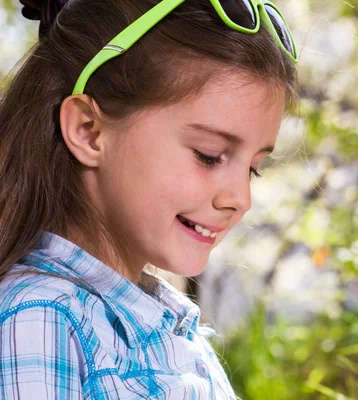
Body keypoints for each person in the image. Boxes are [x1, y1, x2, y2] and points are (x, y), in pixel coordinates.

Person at [0, 0, 298, 398]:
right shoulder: (41, 321)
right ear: (89, 131)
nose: (240, 199)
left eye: (252, 168)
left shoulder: (174, 331)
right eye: (208, 154)